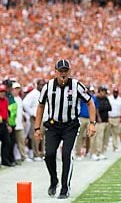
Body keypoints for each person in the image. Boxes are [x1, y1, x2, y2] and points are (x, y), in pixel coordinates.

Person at [34, 59, 97, 199]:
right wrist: (37, 128)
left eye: (65, 71)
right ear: (55, 71)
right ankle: (54, 180)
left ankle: (64, 187)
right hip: (53, 125)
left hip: (70, 126)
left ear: (69, 71)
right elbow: (40, 106)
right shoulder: (48, 86)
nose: (63, 73)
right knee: (49, 154)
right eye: (60, 71)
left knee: (66, 154)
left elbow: (90, 102)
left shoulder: (76, 85)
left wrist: (92, 123)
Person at [23, 79, 47, 161]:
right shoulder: (33, 94)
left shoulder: (45, 93)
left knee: (43, 138)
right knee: (36, 137)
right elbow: (25, 104)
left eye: (44, 84)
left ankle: (42, 153)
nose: (42, 86)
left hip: (45, 118)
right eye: (41, 84)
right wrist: (32, 113)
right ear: (37, 85)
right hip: (36, 118)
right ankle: (35, 154)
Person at [75, 85, 98, 160]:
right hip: (81, 117)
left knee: (92, 136)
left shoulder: (93, 98)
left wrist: (94, 120)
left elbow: (95, 108)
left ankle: (92, 153)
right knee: (80, 136)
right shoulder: (81, 97)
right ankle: (77, 153)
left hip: (90, 119)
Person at [91, 85, 111, 160]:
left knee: (104, 138)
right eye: (103, 91)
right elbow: (97, 108)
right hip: (99, 121)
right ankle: (95, 153)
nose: (104, 93)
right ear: (100, 91)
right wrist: (98, 117)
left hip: (105, 120)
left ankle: (101, 152)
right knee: (98, 137)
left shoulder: (106, 98)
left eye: (105, 91)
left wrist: (104, 108)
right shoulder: (96, 99)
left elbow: (109, 107)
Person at [108, 86, 121, 151]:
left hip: (116, 118)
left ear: (118, 93)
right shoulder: (109, 98)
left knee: (115, 134)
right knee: (106, 133)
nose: (115, 93)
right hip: (109, 118)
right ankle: (104, 146)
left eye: (116, 92)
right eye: (114, 92)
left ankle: (115, 147)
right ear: (112, 92)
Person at [0, 84, 14, 167]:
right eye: (1, 92)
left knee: (7, 142)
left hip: (4, 123)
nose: (2, 93)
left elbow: (7, 113)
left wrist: (8, 125)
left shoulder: (5, 100)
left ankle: (5, 161)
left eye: (3, 92)